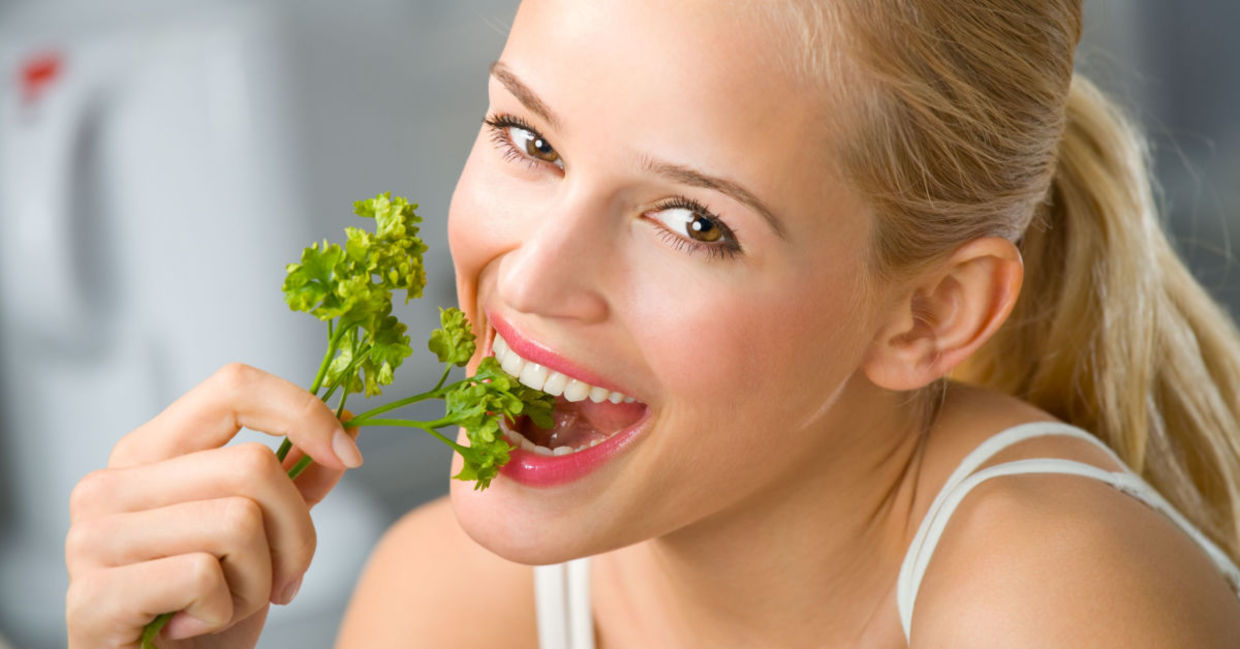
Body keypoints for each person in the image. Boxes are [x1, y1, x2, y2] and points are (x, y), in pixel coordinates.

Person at [65, 1, 1240, 647]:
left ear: (928, 312)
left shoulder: (1056, 604)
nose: (529, 280)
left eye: (691, 221)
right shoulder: (451, 600)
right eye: (527, 141)